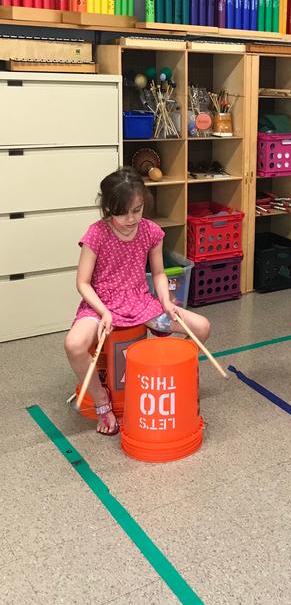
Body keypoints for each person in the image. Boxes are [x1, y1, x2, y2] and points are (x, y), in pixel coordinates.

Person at [65, 167, 210, 436]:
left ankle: (173, 381)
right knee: (74, 345)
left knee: (201, 327)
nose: (131, 218)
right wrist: (103, 311)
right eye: (123, 212)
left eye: (137, 209)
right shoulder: (96, 234)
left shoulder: (151, 231)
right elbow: (82, 283)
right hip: (101, 306)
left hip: (141, 303)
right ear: (108, 207)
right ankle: (102, 403)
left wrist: (166, 301)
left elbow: (157, 273)